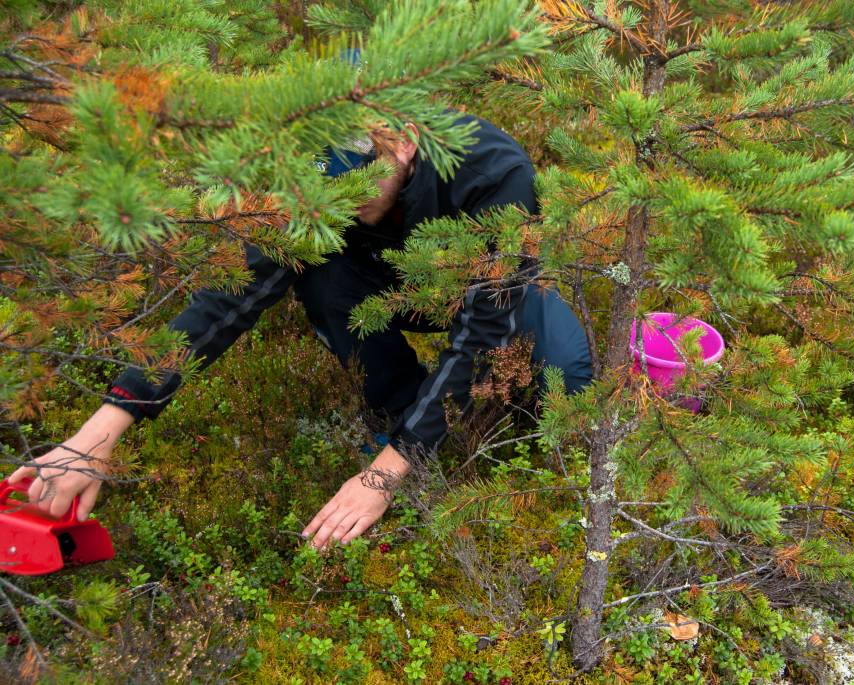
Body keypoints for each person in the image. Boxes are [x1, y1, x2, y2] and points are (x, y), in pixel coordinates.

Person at [7, 113, 593, 549]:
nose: (337, 201)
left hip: (490, 290)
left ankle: (418, 445)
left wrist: (381, 477)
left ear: (405, 143)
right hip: (377, 285)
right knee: (322, 276)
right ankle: (402, 414)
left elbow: (483, 329)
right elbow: (228, 299)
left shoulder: (495, 173)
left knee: (564, 381)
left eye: (354, 184)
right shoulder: (310, 187)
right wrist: (103, 428)